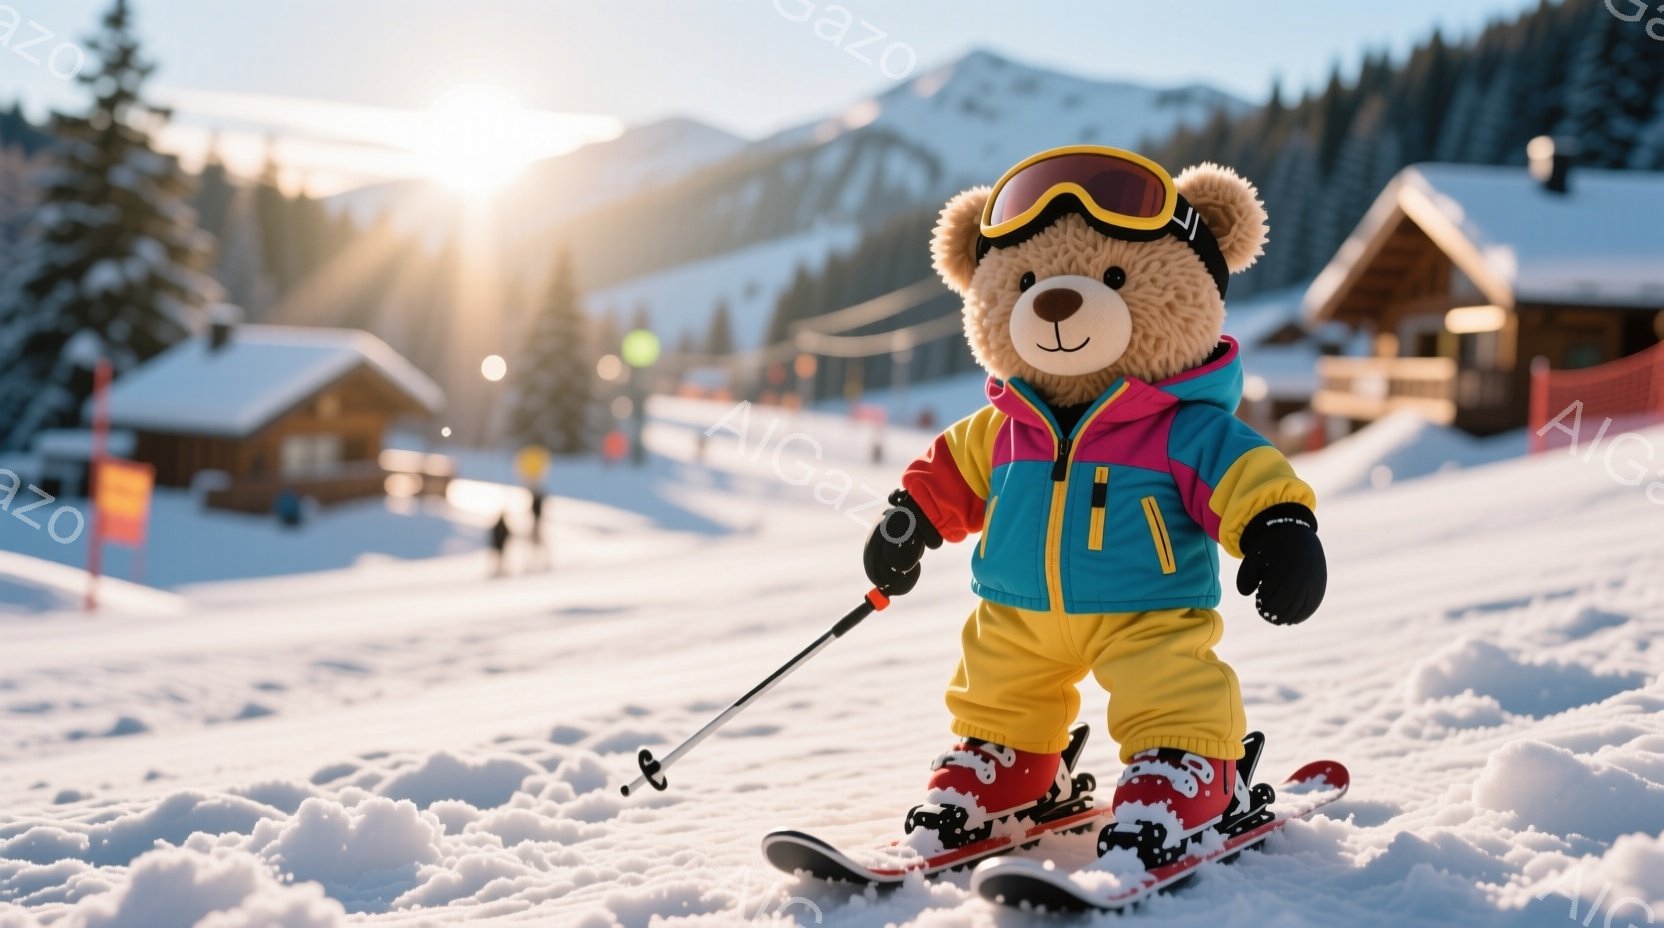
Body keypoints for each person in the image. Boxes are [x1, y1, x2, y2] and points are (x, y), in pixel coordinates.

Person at [489, 511, 511, 576]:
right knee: (500, 558)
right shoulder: (501, 525)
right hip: (500, 544)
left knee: (500, 558)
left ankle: (500, 570)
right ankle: (500, 570)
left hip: (499, 544)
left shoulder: (498, 525)